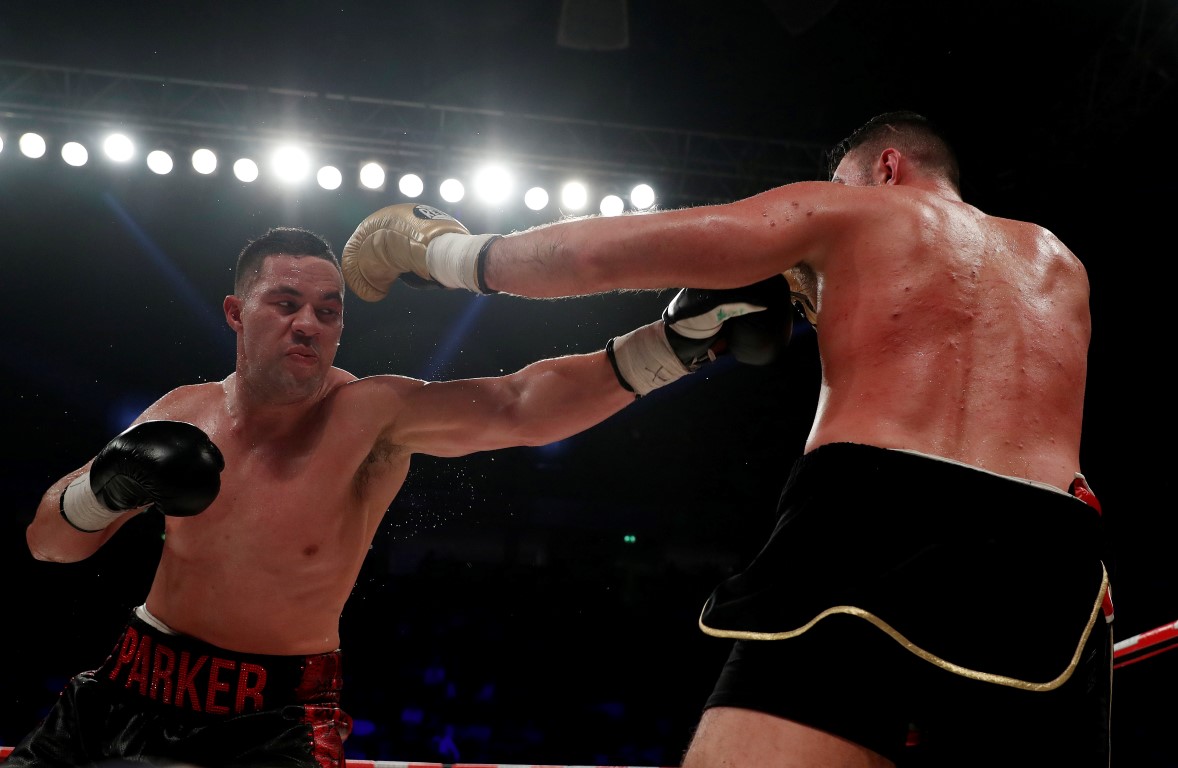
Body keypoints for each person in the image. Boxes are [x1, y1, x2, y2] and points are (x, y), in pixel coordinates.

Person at [336, 111, 1112, 767]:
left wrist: (446, 255)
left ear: (886, 167)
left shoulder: (858, 210)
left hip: (877, 513)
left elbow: (601, 254)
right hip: (1058, 560)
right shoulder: (1060, 263)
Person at [9, 226, 794, 768]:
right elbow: (48, 543)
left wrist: (669, 346)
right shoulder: (181, 411)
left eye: (328, 309)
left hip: (269, 719)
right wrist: (101, 492)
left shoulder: (369, 415)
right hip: (126, 684)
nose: (310, 324)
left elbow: (521, 403)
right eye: (286, 303)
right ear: (236, 313)